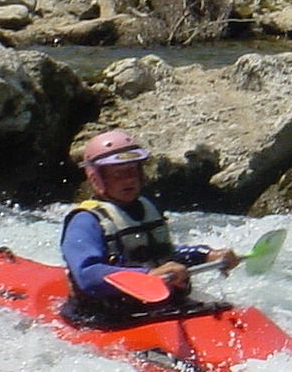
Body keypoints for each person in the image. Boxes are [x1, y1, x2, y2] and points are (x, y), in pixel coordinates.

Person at [59, 129, 238, 326]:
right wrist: (148, 276)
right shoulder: (85, 221)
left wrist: (206, 255)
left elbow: (161, 255)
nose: (128, 179)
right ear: (97, 178)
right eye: (118, 174)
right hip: (105, 318)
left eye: (132, 171)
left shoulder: (146, 207)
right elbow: (87, 275)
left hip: (157, 308)